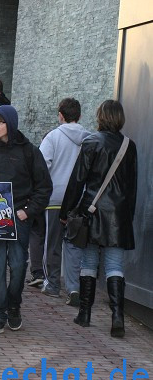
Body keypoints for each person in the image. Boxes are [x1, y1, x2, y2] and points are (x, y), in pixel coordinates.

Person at [0, 105, 52, 337]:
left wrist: (28, 211)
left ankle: (14, 305)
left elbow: (44, 187)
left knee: (17, 267)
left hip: (20, 217)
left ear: (11, 123)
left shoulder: (29, 151)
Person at [60, 100, 137, 338]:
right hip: (118, 216)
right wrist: (127, 217)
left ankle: (84, 314)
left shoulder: (91, 141)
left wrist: (66, 211)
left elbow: (78, 180)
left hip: (91, 212)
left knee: (89, 263)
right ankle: (117, 317)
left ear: (100, 117)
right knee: (115, 266)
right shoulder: (129, 146)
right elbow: (132, 186)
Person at [39, 98, 91, 304]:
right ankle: (73, 288)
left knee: (52, 242)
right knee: (74, 245)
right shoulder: (89, 139)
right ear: (79, 115)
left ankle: (52, 284)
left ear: (60, 115)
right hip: (79, 200)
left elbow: (43, 167)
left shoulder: (52, 137)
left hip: (55, 197)